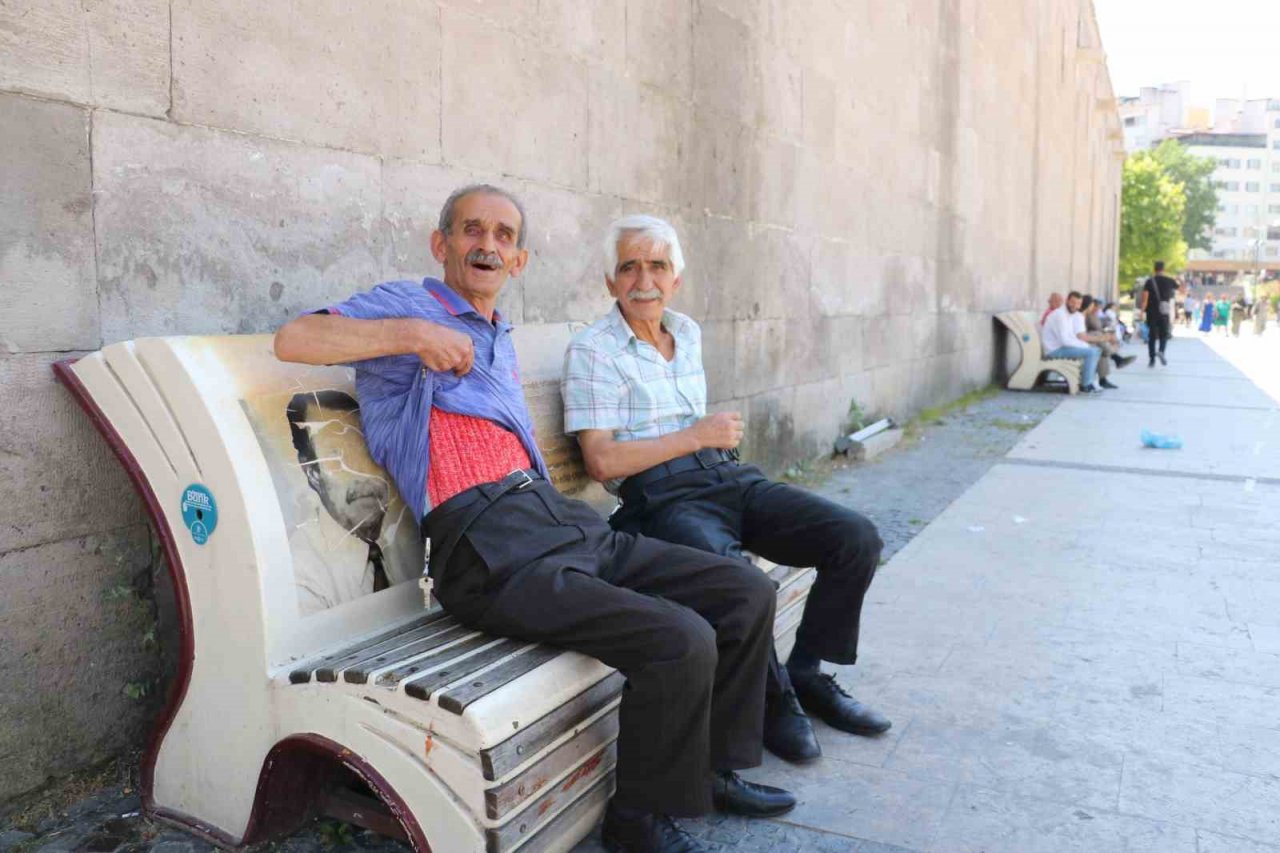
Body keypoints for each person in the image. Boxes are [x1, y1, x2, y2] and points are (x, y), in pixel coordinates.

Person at [274, 185, 794, 853]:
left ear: (518, 260)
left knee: (744, 589)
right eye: (471, 230)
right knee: (680, 638)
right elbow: (296, 337)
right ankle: (636, 822)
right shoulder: (412, 303)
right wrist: (416, 334)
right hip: (482, 542)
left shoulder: (499, 334)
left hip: (554, 519)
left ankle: (711, 767)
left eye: (503, 235)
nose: (487, 244)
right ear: (442, 244)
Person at [561, 215, 891, 767]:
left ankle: (806, 673)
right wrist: (694, 436)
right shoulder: (593, 351)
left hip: (729, 477)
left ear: (676, 280)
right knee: (737, 578)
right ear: (609, 282)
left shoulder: (686, 333)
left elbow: (702, 438)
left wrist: (707, 443)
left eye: (658, 266)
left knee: (854, 537)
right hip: (659, 498)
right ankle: (774, 701)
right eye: (629, 267)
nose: (645, 279)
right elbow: (601, 460)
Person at [285, 390, 395, 613]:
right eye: (337, 456)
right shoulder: (300, 576)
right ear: (313, 473)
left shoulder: (411, 535)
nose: (360, 471)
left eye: (368, 451)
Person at [1041, 290, 1103, 393]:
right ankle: (1086, 385)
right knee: (1091, 352)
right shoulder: (1060, 315)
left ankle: (1090, 382)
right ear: (1067, 301)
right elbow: (1065, 341)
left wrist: (1084, 345)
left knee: (1095, 350)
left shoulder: (1069, 315)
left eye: (1078, 303)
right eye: (1073, 302)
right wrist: (1085, 346)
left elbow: (1071, 337)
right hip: (1054, 350)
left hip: (1061, 347)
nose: (1075, 306)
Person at [1081, 295, 1135, 388]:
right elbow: (1088, 331)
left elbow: (1102, 326)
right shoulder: (1084, 315)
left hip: (1089, 340)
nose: (1096, 308)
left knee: (1101, 350)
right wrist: (1104, 335)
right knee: (1096, 335)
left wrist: (1107, 335)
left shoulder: (1092, 315)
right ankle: (1116, 358)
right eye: (1093, 306)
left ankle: (1103, 380)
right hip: (1082, 340)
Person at [1139, 261, 1177, 366]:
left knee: (1152, 336)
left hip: (1152, 312)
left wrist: (1142, 312)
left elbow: (1145, 299)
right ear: (1163, 269)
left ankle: (1152, 360)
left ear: (1154, 269)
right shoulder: (1169, 280)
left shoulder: (1149, 281)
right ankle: (1161, 351)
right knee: (1163, 335)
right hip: (1164, 311)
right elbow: (1182, 290)